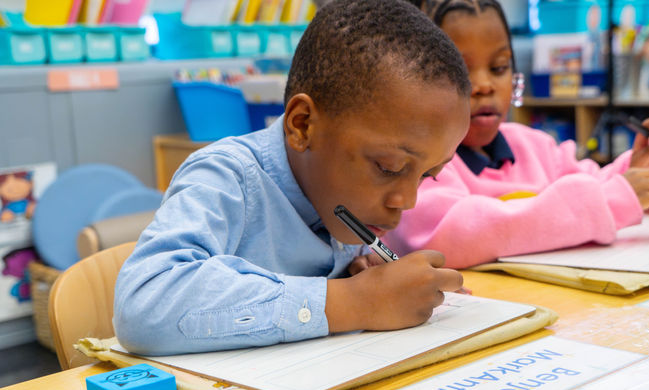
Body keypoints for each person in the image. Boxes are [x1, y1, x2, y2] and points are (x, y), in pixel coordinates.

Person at [113, 0, 471, 355]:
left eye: (428, 175)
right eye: (389, 167)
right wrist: (354, 301)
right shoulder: (225, 177)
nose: (407, 201)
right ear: (302, 125)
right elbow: (145, 306)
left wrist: (365, 274)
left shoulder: (347, 201)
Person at [385, 0, 649, 269]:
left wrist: (643, 171)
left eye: (499, 67)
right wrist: (615, 199)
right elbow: (452, 236)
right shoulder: (419, 166)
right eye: (461, 71)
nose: (484, 85)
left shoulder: (535, 146)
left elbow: (596, 185)